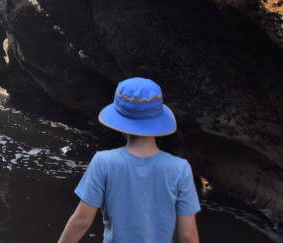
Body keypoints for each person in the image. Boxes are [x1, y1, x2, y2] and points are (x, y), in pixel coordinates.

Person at [58, 77, 200, 243]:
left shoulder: (103, 162)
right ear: (158, 121)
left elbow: (81, 222)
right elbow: (187, 236)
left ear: (121, 123)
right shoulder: (180, 169)